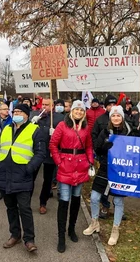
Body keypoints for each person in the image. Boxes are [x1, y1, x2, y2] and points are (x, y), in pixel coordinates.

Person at [0, 104, 46, 252]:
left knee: (25, 209)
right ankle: (15, 235)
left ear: (27, 115)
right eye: (14, 111)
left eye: (19, 111)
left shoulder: (35, 130)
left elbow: (40, 153)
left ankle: (29, 239)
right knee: (10, 208)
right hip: (5, 175)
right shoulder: (6, 128)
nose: (16, 113)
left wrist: (29, 168)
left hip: (22, 175)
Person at [49, 100, 94, 253]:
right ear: (71, 111)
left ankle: (71, 229)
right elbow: (53, 144)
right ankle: (61, 237)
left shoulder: (86, 128)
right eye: (76, 110)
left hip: (80, 167)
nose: (79, 112)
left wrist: (90, 162)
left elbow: (88, 146)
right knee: (64, 202)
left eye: (81, 111)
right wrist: (58, 161)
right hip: (65, 166)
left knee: (76, 200)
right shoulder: (62, 125)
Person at [83, 106, 131, 246]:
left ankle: (115, 230)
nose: (116, 118)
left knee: (118, 201)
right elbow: (97, 148)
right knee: (94, 197)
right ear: (110, 118)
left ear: (122, 118)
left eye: (118, 116)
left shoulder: (128, 133)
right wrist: (104, 146)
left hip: (121, 171)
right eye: (113, 116)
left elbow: (134, 152)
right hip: (105, 169)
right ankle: (94, 223)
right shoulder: (104, 132)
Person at [32, 98, 64, 214]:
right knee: (31, 177)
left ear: (53, 106)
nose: (44, 107)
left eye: (47, 105)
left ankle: (43, 202)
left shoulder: (59, 118)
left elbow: (64, 135)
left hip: (50, 152)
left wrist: (56, 133)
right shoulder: (36, 116)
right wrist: (32, 122)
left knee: (48, 179)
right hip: (36, 151)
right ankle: (26, 201)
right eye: (43, 104)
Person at [91, 94, 117, 219]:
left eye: (114, 105)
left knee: (117, 183)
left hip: (119, 159)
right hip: (105, 157)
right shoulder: (100, 120)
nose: (112, 107)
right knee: (103, 183)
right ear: (105, 106)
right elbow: (94, 135)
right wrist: (98, 150)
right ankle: (105, 205)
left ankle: (118, 206)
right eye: (109, 105)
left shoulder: (123, 119)